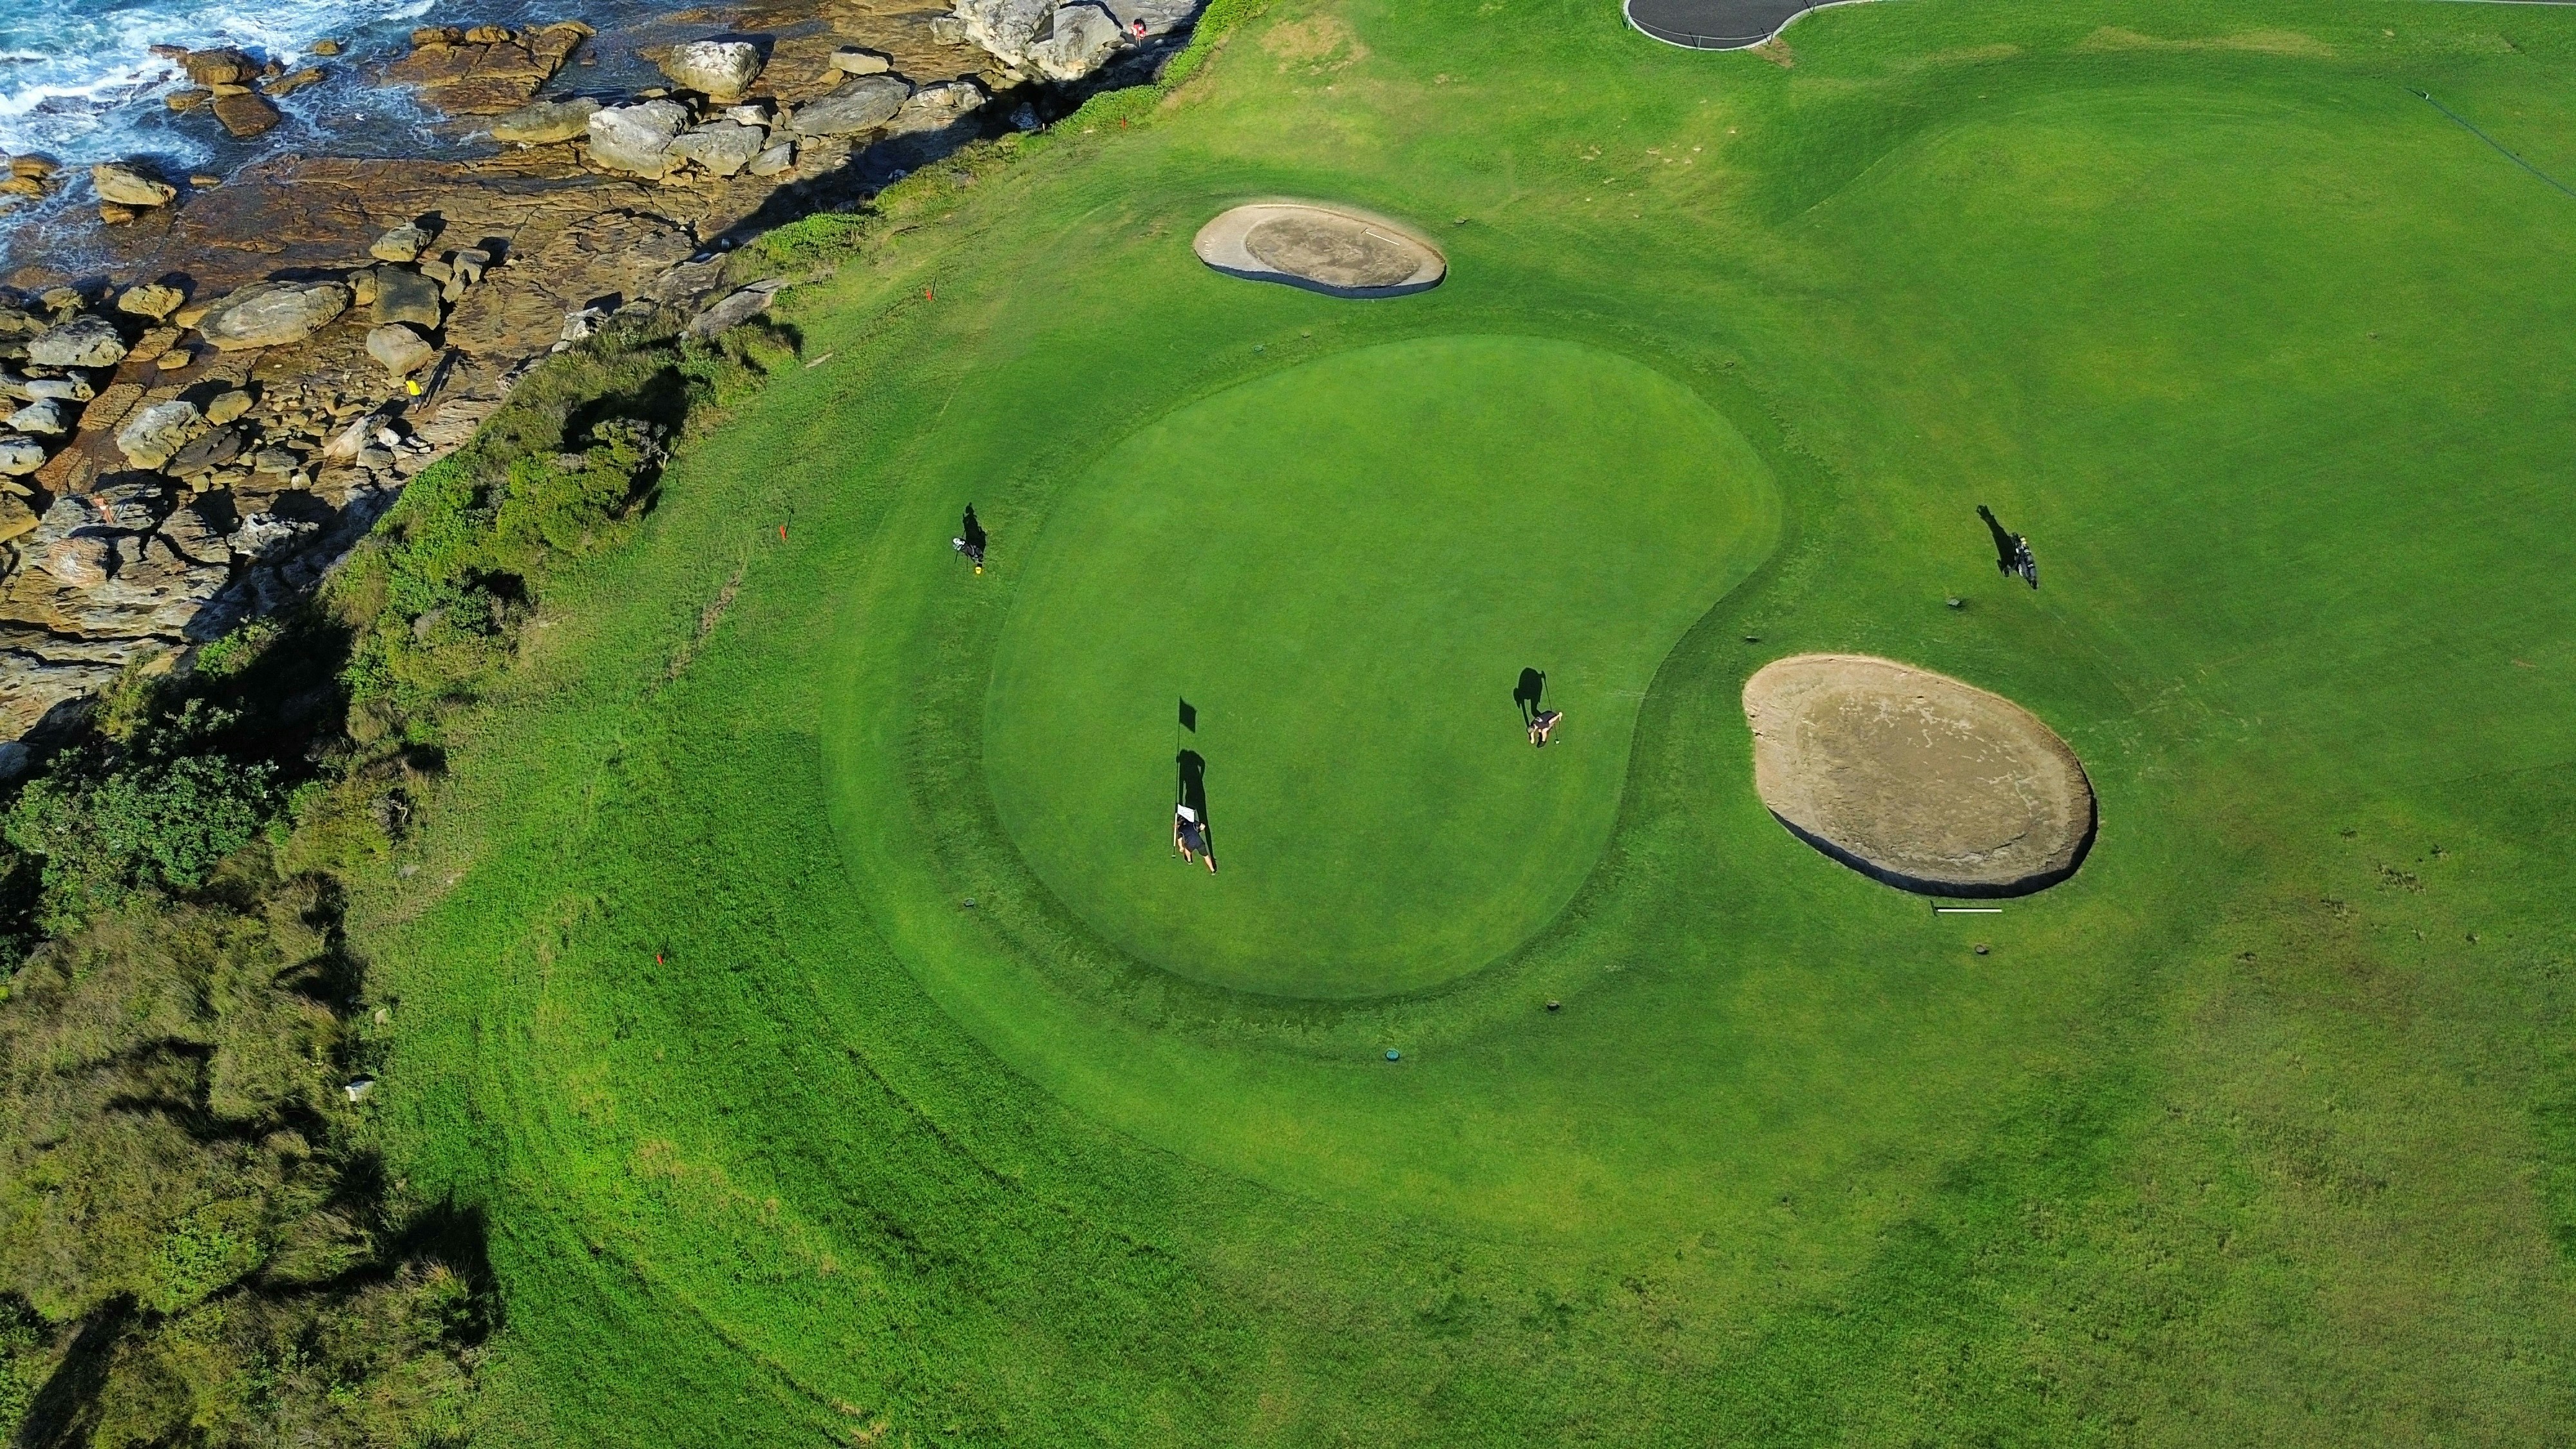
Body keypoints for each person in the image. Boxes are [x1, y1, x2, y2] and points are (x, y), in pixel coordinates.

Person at [1173, 803, 1217, 873]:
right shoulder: (1192, 823)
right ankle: (1213, 870)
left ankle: (1189, 860)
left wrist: (1181, 847)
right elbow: (1203, 826)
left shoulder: (1181, 829)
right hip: (1199, 842)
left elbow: (1179, 840)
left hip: (1191, 844)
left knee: (1187, 851)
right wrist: (1199, 830)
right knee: (1206, 856)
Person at [957, 504, 988, 573]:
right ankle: (971, 518)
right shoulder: (978, 552)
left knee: (972, 527)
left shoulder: (977, 553)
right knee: (972, 527)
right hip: (973, 538)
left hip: (973, 538)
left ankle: (971, 518)